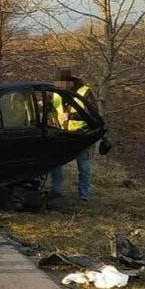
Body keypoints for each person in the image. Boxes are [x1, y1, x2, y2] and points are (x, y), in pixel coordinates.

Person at [50, 68, 97, 202]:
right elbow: (53, 106)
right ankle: (56, 190)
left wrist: (71, 116)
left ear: (69, 82)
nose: (59, 87)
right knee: (55, 163)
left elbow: (92, 113)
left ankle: (84, 196)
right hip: (62, 134)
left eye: (61, 85)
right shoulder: (56, 92)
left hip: (80, 135)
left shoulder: (84, 92)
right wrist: (43, 105)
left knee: (83, 166)